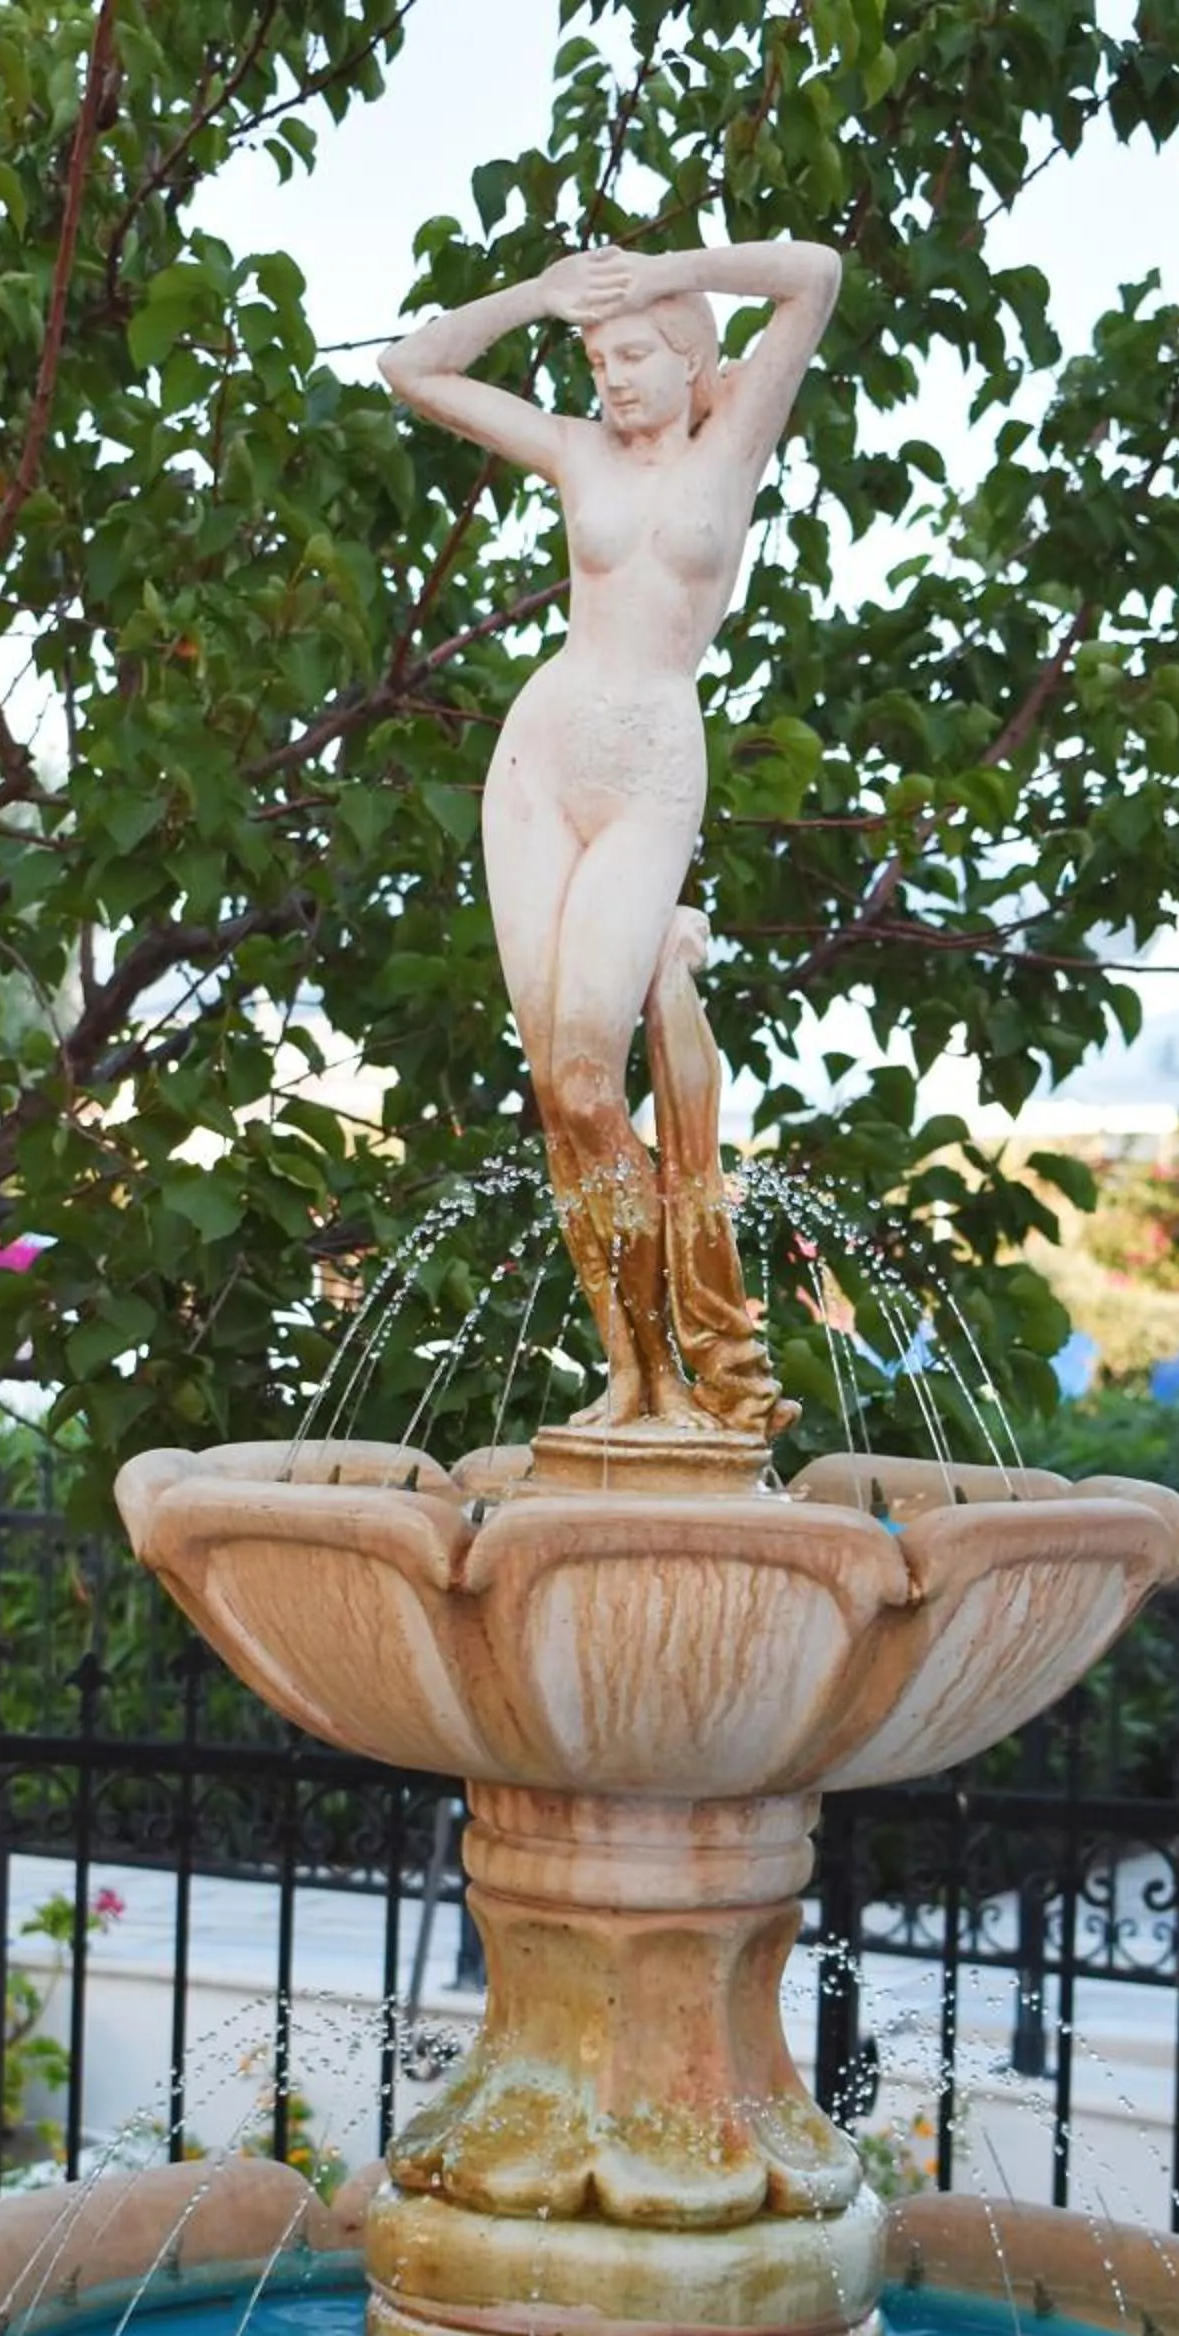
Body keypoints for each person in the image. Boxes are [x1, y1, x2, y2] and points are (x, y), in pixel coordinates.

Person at [380, 239, 841, 1438]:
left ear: (691, 359)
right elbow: (411, 368)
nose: (613, 378)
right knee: (557, 1092)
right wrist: (536, 297)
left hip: (648, 769)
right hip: (542, 758)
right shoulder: (577, 450)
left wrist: (655, 269)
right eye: (596, 361)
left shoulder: (733, 442)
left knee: (591, 1079)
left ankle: (689, 1362)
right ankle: (633, 1378)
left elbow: (813, 274)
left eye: (633, 353)